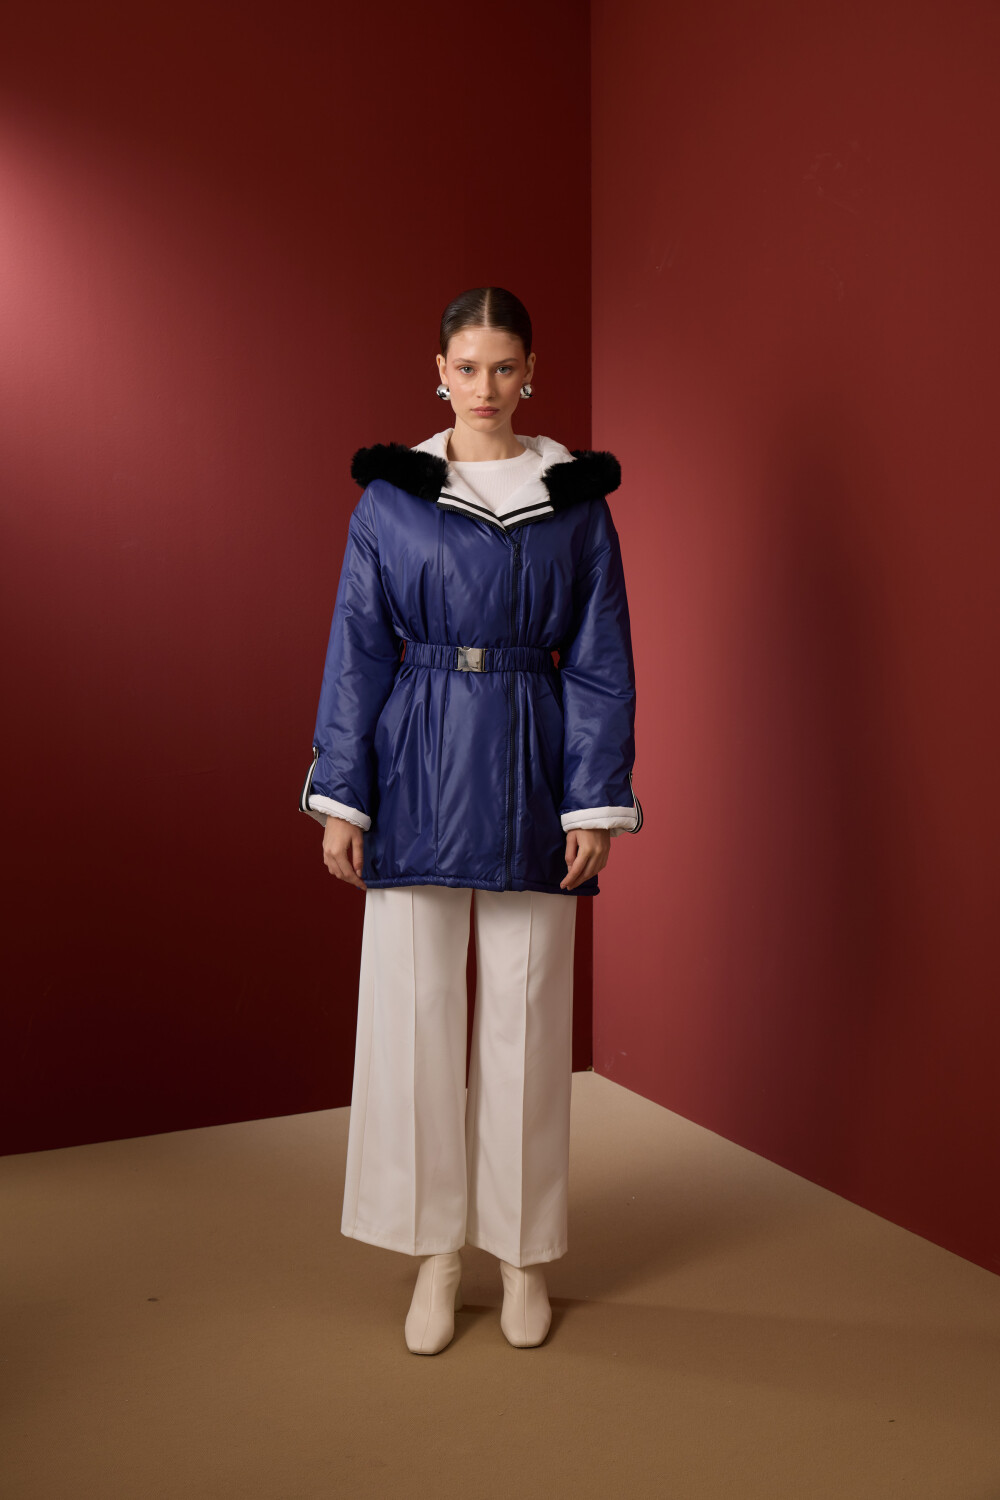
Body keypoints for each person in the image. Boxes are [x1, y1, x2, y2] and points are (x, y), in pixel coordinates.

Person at [300, 287, 642, 1354]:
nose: (484, 387)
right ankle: (434, 1255)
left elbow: (601, 660)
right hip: (416, 759)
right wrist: (342, 795)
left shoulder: (576, 502)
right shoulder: (391, 498)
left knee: (527, 1020)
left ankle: (524, 1254)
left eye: (504, 367)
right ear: (438, 371)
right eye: (467, 367)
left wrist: (593, 800)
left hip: (535, 760)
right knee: (412, 1017)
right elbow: (357, 649)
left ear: (531, 372)